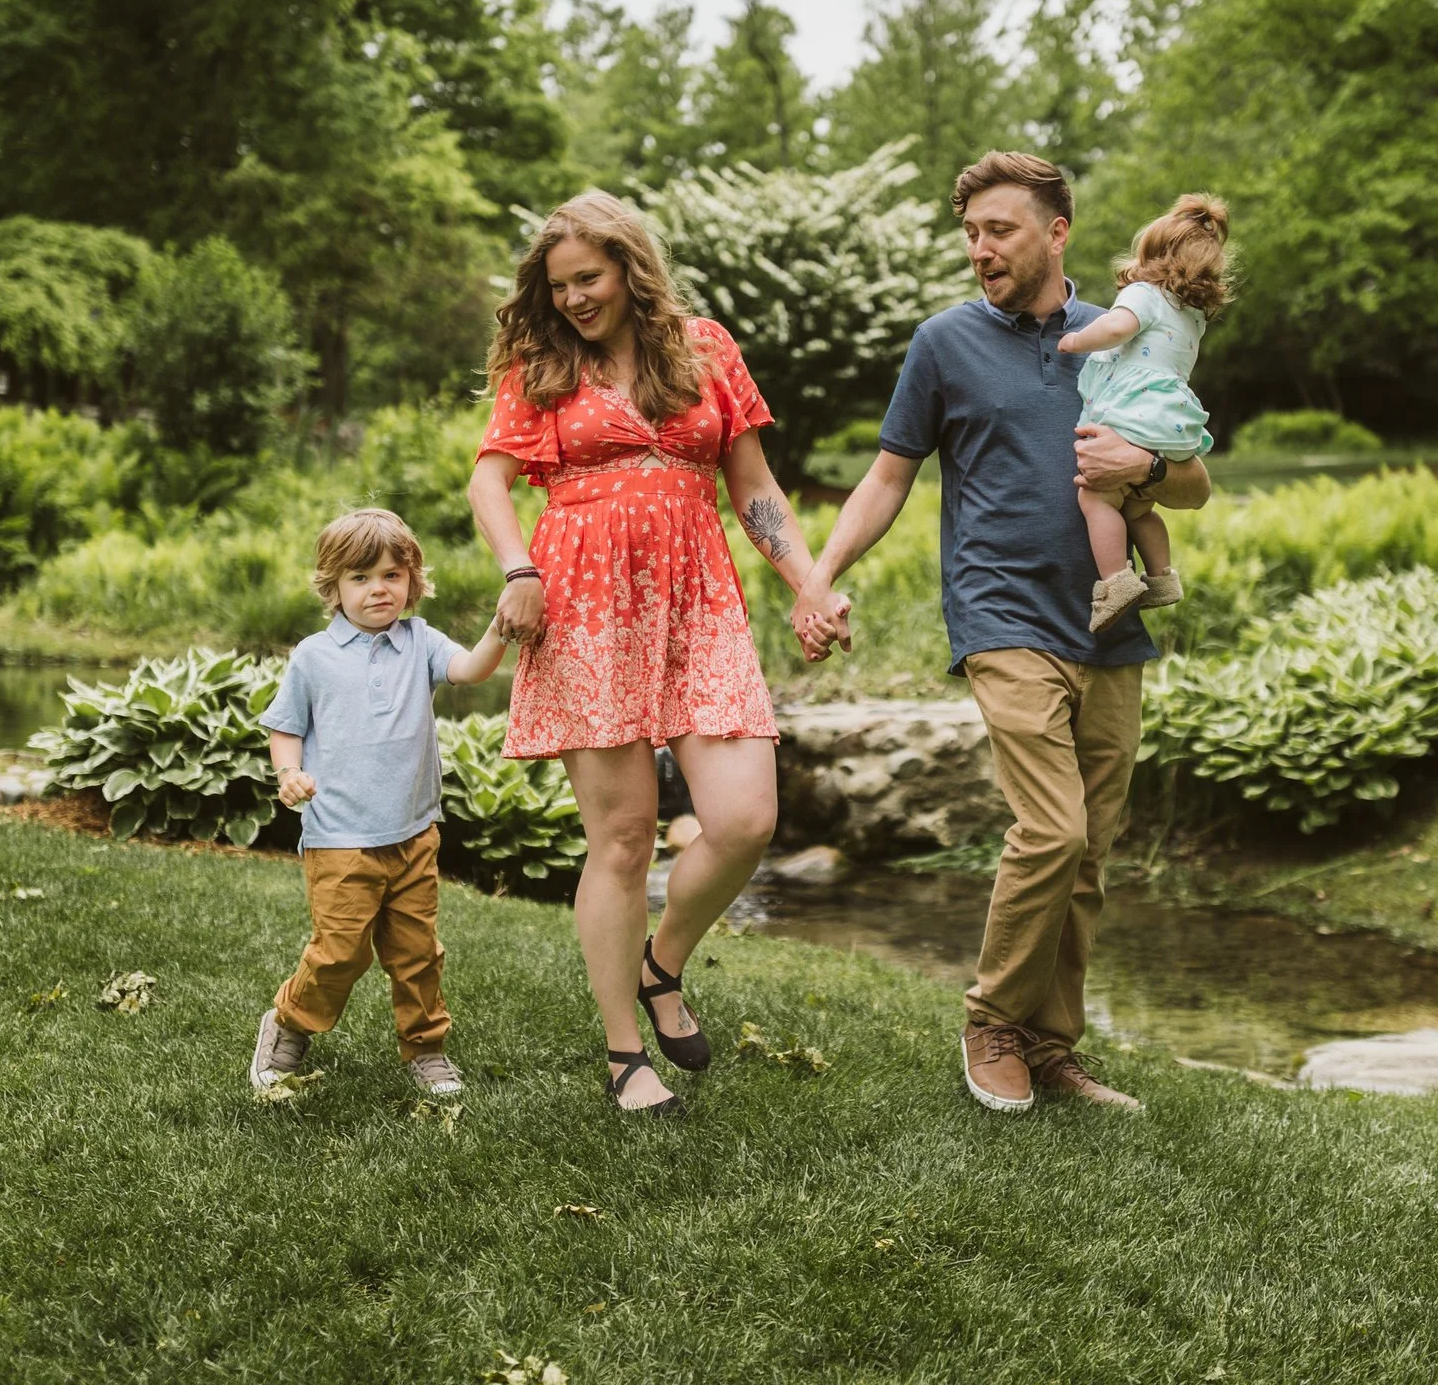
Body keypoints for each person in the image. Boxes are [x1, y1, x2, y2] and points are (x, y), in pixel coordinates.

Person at [792, 152, 1211, 1114]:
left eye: (1000, 230)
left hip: (1109, 621)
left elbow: (1191, 481)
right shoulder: (944, 343)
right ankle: (991, 1022)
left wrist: (1140, 462)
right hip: (1002, 612)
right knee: (1052, 829)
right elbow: (889, 477)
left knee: (1091, 851)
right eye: (972, 232)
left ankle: (1048, 1045)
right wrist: (819, 576)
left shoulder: (1127, 331)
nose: (980, 249)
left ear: (1056, 232)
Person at [466, 192, 829, 1118]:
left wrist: (809, 583)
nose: (576, 298)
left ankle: (660, 963)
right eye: (560, 285)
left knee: (745, 819)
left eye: (589, 277)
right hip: (582, 604)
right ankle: (626, 1054)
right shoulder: (540, 364)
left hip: (696, 601)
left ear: (631, 265)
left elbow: (752, 484)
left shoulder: (703, 347)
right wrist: (518, 567)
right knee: (622, 838)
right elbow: (490, 479)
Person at [248, 508, 510, 1099]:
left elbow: (470, 669)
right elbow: (285, 726)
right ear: (333, 586)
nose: (378, 590)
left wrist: (501, 625)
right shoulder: (314, 656)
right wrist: (290, 772)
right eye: (361, 578)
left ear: (412, 580)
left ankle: (426, 1049)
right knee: (339, 951)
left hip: (415, 833)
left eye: (393, 575)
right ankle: (288, 1022)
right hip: (339, 835)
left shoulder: (420, 641)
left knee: (417, 953)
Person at [1056, 194, 1231, 631]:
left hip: (1132, 412)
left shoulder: (1143, 294)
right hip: (1168, 420)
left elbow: (1116, 328)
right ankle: (1162, 578)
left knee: (1095, 497)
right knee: (1138, 509)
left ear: (1152, 257)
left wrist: (1076, 341)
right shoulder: (1192, 315)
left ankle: (1116, 583)